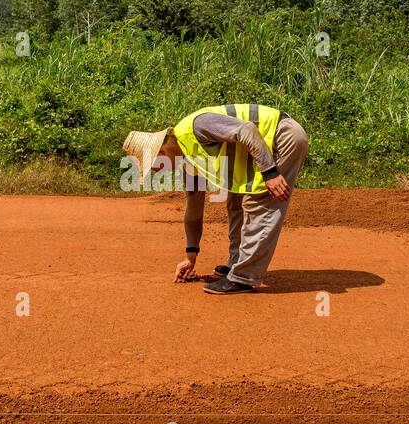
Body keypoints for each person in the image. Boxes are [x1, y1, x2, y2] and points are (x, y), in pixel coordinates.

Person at [123, 104, 308, 294]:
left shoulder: (196, 126)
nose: (158, 173)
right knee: (235, 201)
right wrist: (190, 256)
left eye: (154, 169)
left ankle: (243, 277)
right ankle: (236, 263)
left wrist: (269, 172)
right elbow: (194, 207)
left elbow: (247, 129)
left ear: (161, 154)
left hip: (282, 138)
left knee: (260, 201)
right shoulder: (186, 159)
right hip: (263, 149)